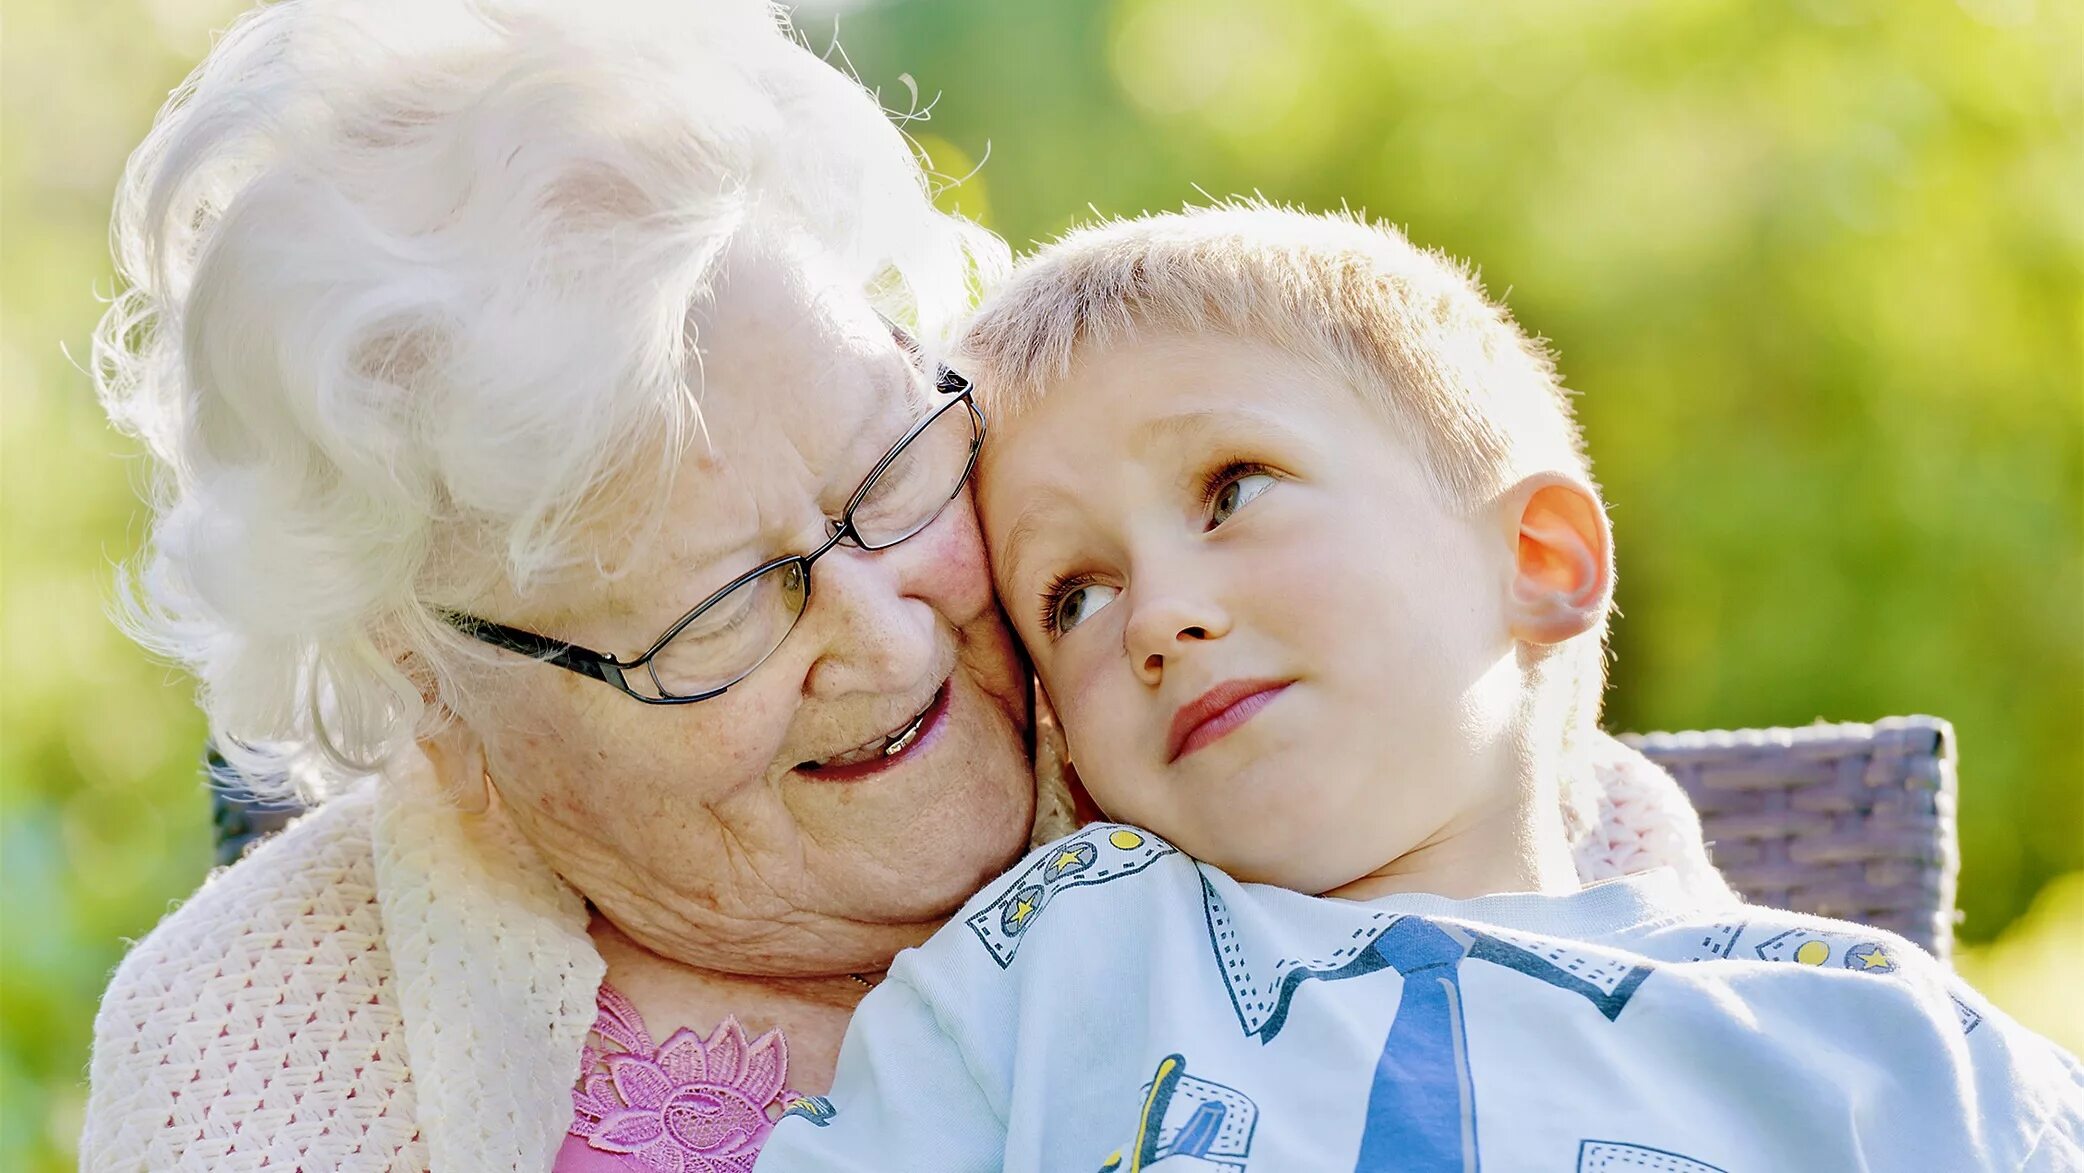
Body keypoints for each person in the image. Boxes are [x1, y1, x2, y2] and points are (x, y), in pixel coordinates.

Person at [76, 2, 1717, 1168]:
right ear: (437, 683)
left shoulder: (1317, 750)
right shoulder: (266, 1036)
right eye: (722, 609)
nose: (884, 637)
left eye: (885, 478)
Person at [753, 206, 2084, 1172]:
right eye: (1073, 598)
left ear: (1536, 557)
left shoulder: (1866, 1036)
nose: (1158, 614)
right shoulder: (1046, 973)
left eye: (1230, 491)